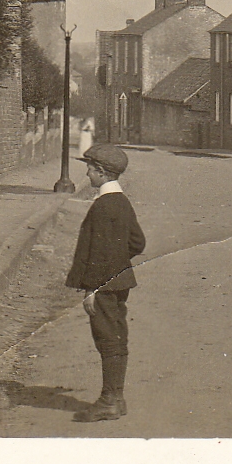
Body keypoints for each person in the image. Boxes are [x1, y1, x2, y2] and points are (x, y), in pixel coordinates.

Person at [65, 143, 147, 422]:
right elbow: (138, 242)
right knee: (117, 337)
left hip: (103, 286)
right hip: (120, 281)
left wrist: (92, 288)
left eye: (90, 169)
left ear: (101, 172)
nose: (87, 174)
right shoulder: (123, 202)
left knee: (107, 340)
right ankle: (117, 398)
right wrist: (118, 262)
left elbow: (98, 254)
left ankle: (109, 400)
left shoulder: (102, 206)